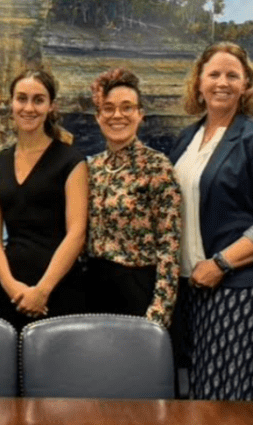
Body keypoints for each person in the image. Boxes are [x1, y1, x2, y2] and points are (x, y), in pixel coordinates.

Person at [168, 41, 253, 401]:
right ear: (198, 84)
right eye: (214, 74)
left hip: (244, 292)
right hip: (193, 291)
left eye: (232, 75)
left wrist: (222, 263)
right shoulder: (185, 140)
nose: (222, 82)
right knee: (203, 398)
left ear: (246, 86)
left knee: (237, 405)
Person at [0, 69, 88, 331]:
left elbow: (77, 232)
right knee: (13, 369)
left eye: (38, 100)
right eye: (21, 98)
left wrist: (42, 290)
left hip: (60, 287)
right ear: (11, 103)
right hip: (13, 289)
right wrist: (12, 287)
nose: (28, 107)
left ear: (51, 106)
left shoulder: (71, 161)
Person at [86, 68, 182, 327]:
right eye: (108, 108)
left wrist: (159, 313)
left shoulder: (157, 167)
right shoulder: (90, 168)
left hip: (139, 291)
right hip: (92, 290)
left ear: (140, 115)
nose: (117, 115)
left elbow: (169, 246)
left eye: (127, 107)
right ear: (98, 117)